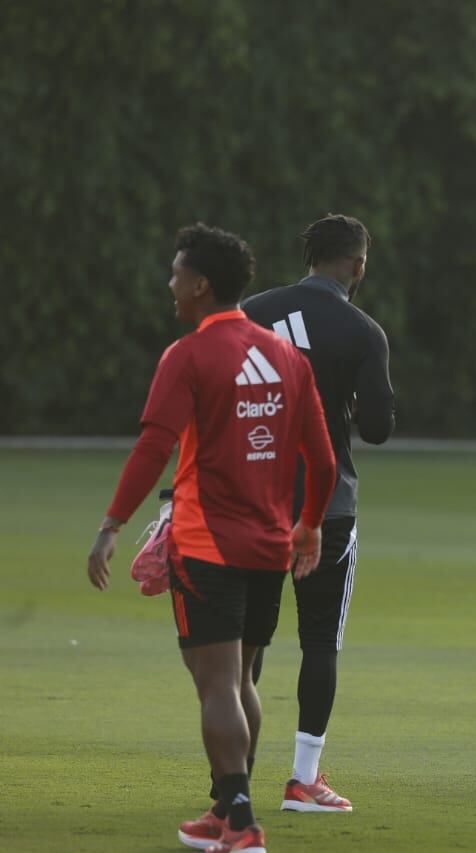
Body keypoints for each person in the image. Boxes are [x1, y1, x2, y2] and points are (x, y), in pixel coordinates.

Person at [86, 224, 336, 853]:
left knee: (218, 682)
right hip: (271, 544)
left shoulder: (188, 355)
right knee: (242, 680)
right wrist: (308, 526)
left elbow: (154, 446)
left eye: (176, 275)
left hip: (206, 544)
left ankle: (243, 822)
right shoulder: (286, 358)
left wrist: (112, 524)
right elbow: (324, 461)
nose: (171, 286)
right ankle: (228, 810)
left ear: (200, 285)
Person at [241, 213, 395, 813]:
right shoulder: (362, 330)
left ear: (310, 258)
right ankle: (304, 782)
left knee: (248, 639)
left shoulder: (252, 311)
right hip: (325, 507)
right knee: (319, 641)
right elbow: (379, 429)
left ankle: (231, 780)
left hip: (252, 500)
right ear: (357, 265)